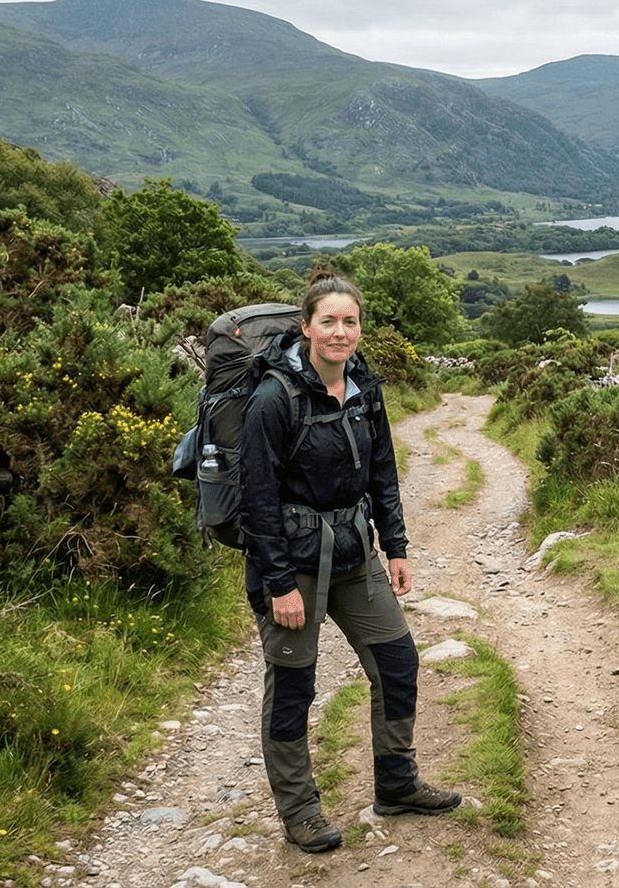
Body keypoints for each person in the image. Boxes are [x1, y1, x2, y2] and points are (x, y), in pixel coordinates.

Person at [238, 270, 460, 853]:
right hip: (291, 564)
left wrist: (398, 547)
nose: (340, 333)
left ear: (361, 327)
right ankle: (300, 811)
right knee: (293, 688)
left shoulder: (364, 385)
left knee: (397, 663)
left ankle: (397, 785)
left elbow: (382, 472)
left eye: (350, 321)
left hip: (355, 554)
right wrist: (279, 584)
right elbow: (256, 500)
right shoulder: (272, 399)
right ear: (307, 326)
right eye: (329, 321)